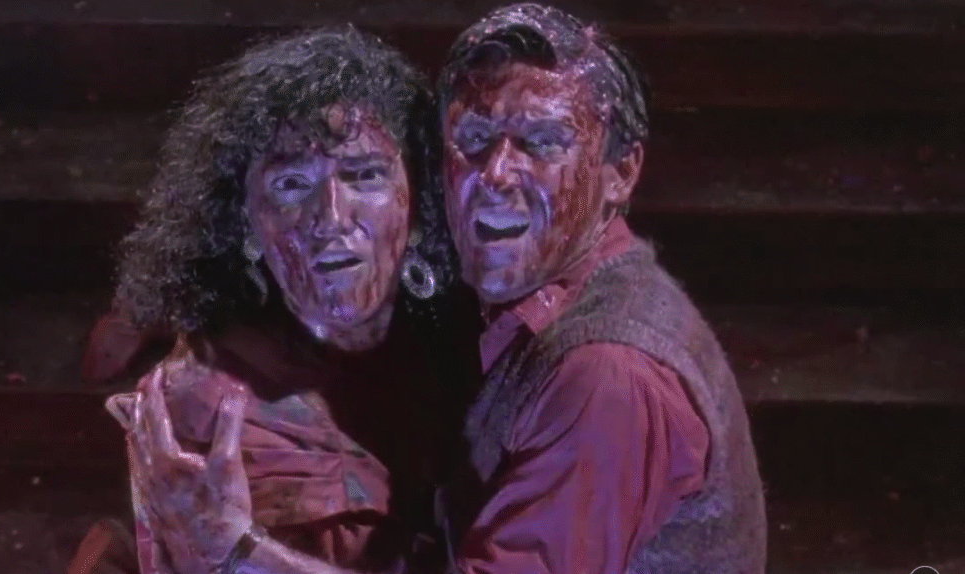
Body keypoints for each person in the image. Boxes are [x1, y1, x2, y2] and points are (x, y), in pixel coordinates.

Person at [70, 26, 476, 574]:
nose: (332, 218)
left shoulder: (467, 343)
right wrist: (232, 551)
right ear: (246, 227)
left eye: (364, 175)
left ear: (419, 202)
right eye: (291, 185)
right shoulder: (202, 409)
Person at [432, 4, 768, 573]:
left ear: (622, 173)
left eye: (541, 141)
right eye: (475, 137)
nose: (494, 173)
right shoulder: (557, 303)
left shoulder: (608, 373)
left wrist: (267, 561)